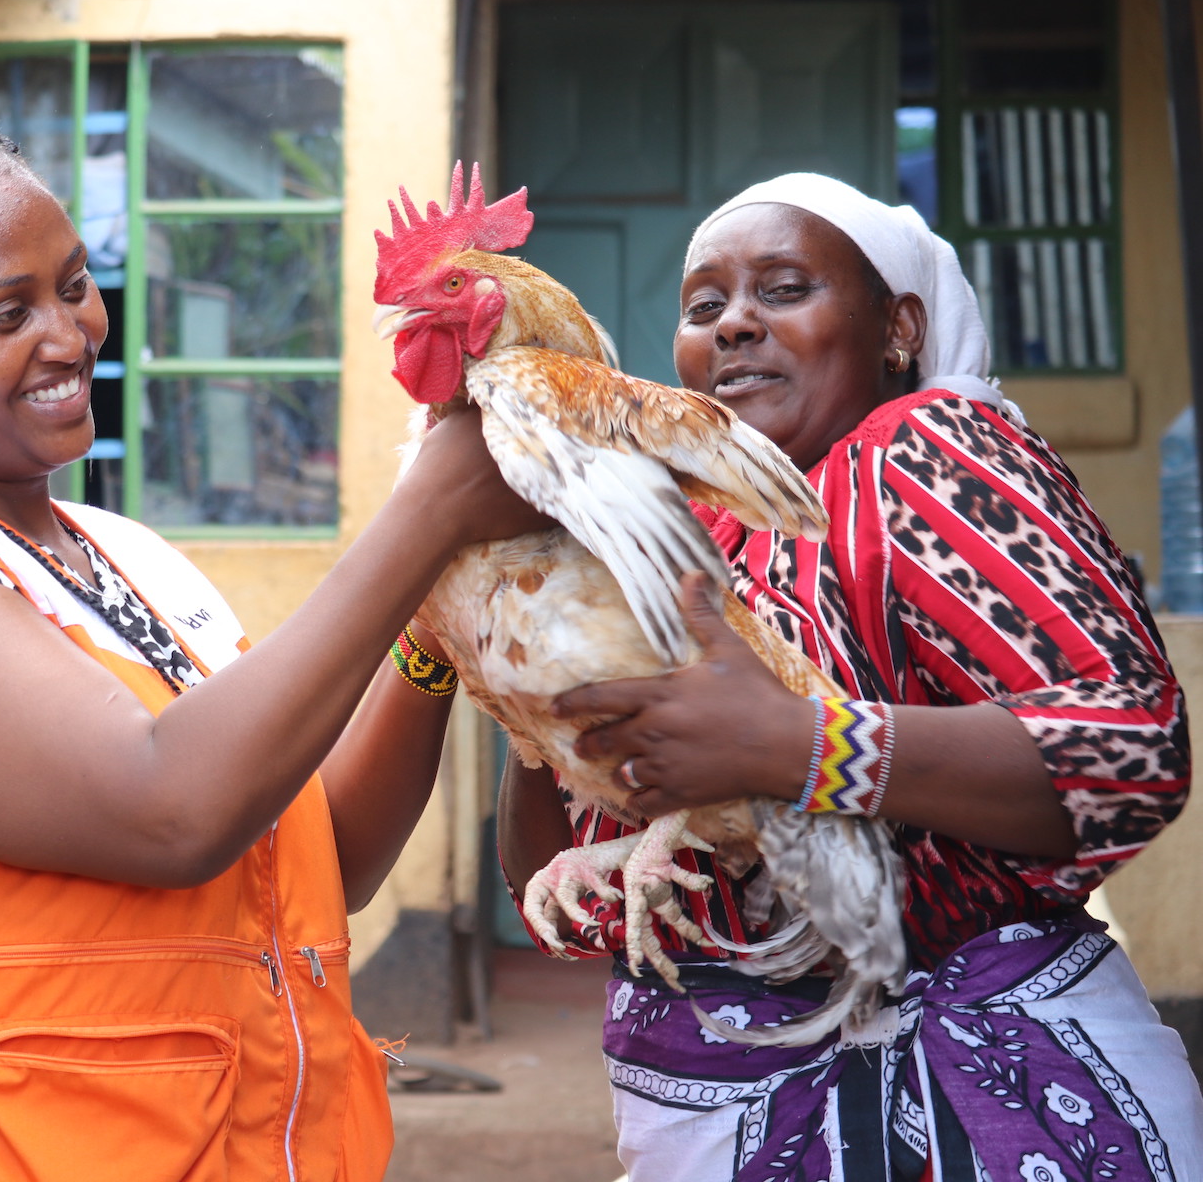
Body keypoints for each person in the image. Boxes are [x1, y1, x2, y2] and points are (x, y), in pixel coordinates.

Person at [0, 105, 545, 1182]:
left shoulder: (123, 558)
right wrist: (422, 517)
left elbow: (315, 857)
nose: (68, 336)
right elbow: (172, 810)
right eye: (6, 313)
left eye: (72, 284)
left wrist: (433, 630)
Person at [498, 172, 1203, 1180]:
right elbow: (557, 890)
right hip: (706, 1104)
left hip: (980, 1108)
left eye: (782, 290)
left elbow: (1122, 749)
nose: (734, 323)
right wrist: (523, 686)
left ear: (899, 327)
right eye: (704, 307)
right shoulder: (673, 541)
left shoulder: (918, 455)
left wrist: (802, 746)